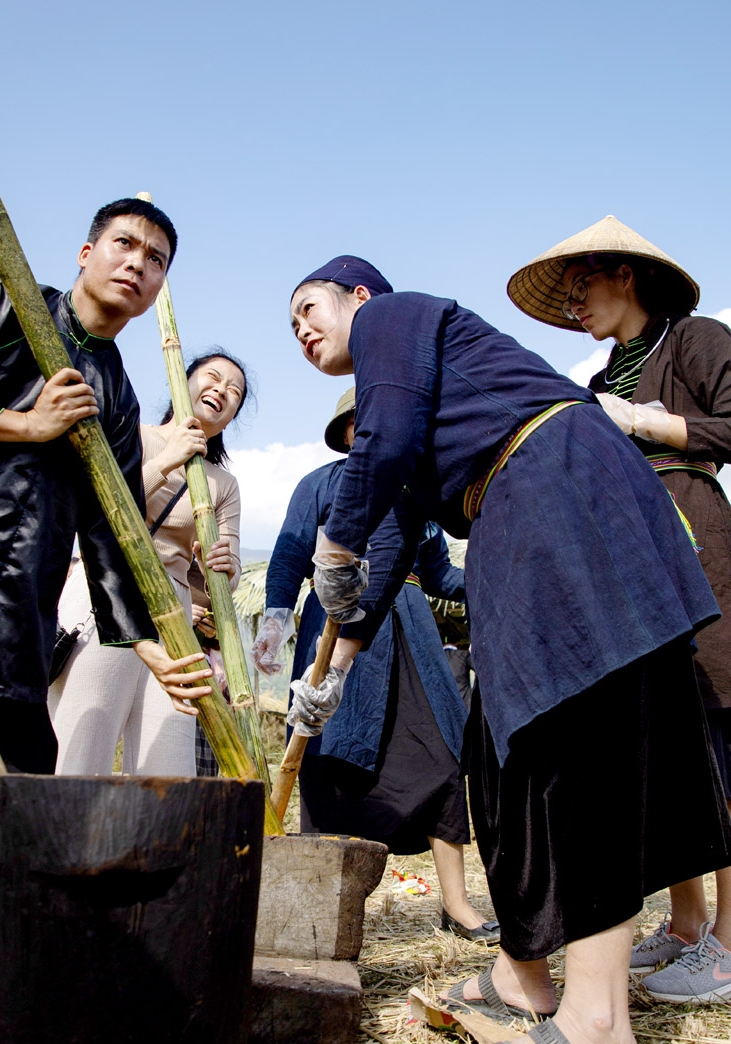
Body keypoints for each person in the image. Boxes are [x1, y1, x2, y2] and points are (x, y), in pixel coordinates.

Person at [287, 255, 731, 1044]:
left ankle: (596, 1017)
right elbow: (391, 547)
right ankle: (520, 975)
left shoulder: (395, 315)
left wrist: (333, 539)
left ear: (359, 296)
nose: (302, 329)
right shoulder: (422, 415)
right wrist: (340, 665)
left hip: (559, 493)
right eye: (292, 326)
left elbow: (375, 463)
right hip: (522, 517)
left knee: (576, 743)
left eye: (309, 308)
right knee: (498, 755)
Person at [0, 198, 212, 1006]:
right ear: (87, 250)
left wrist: (150, 645)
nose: (137, 262)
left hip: (18, 607)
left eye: (155, 259)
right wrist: (21, 423)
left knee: (28, 786)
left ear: (159, 287)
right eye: (125, 244)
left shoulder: (116, 396)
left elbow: (115, 528)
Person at [507, 214, 731, 1003]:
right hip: (629, 568)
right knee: (672, 736)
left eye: (581, 288)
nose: (574, 306)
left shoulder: (696, 340)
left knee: (718, 719)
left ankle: (730, 946)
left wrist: (641, 422)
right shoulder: (599, 381)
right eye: (565, 297)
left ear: (624, 276)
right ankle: (684, 922)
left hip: (697, 540)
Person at [252, 387, 498, 941]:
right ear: (345, 433)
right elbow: (291, 552)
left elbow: (439, 577)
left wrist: (491, 576)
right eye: (362, 422)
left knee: (439, 758)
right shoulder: (321, 483)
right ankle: (321, 908)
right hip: (336, 625)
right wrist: (274, 616)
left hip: (410, 627)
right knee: (327, 760)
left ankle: (456, 904)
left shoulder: (422, 493)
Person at [49, 350, 249, 777]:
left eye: (234, 392)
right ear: (182, 381)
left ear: (230, 420)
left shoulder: (224, 484)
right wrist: (166, 461)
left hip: (175, 617)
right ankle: (62, 840)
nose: (221, 390)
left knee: (172, 761)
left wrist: (223, 565)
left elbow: (225, 578)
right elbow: (98, 508)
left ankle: (155, 845)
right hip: (108, 589)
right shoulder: (132, 433)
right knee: (87, 738)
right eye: (212, 377)